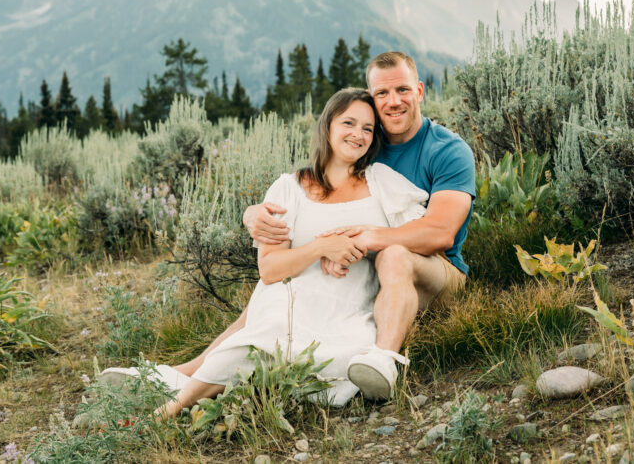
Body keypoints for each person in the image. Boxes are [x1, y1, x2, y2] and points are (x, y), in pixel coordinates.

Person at [152, 51, 475, 401]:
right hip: (363, 276)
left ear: (420, 91)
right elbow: (317, 189)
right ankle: (188, 373)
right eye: (382, 94)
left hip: (437, 272)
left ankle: (383, 361)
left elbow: (440, 234)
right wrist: (252, 213)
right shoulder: (366, 142)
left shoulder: (447, 150)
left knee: (394, 255)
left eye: (402, 90)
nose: (393, 102)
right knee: (277, 292)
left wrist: (360, 240)